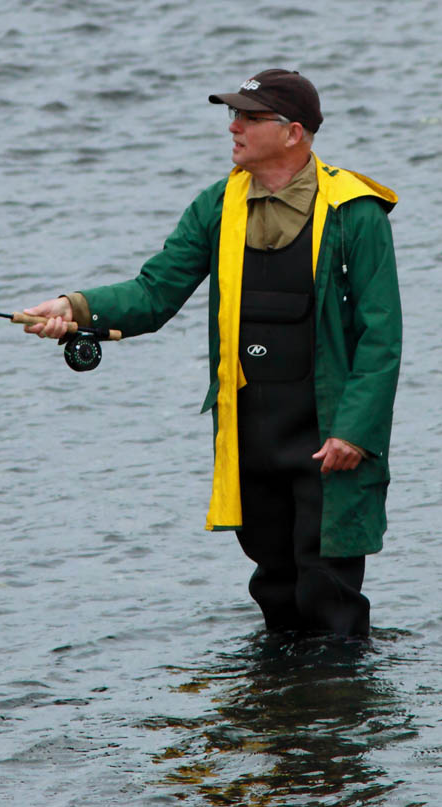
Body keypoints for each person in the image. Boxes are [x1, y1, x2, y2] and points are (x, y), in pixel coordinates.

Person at [23, 68, 402, 637]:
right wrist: (75, 308)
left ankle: (337, 692)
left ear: (293, 132)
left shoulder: (356, 212)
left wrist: (354, 433)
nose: (233, 127)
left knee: (329, 595)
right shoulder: (216, 205)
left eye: (249, 117)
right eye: (233, 114)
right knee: (276, 591)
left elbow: (382, 335)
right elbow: (153, 294)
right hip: (252, 435)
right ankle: (282, 691)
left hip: (330, 440)